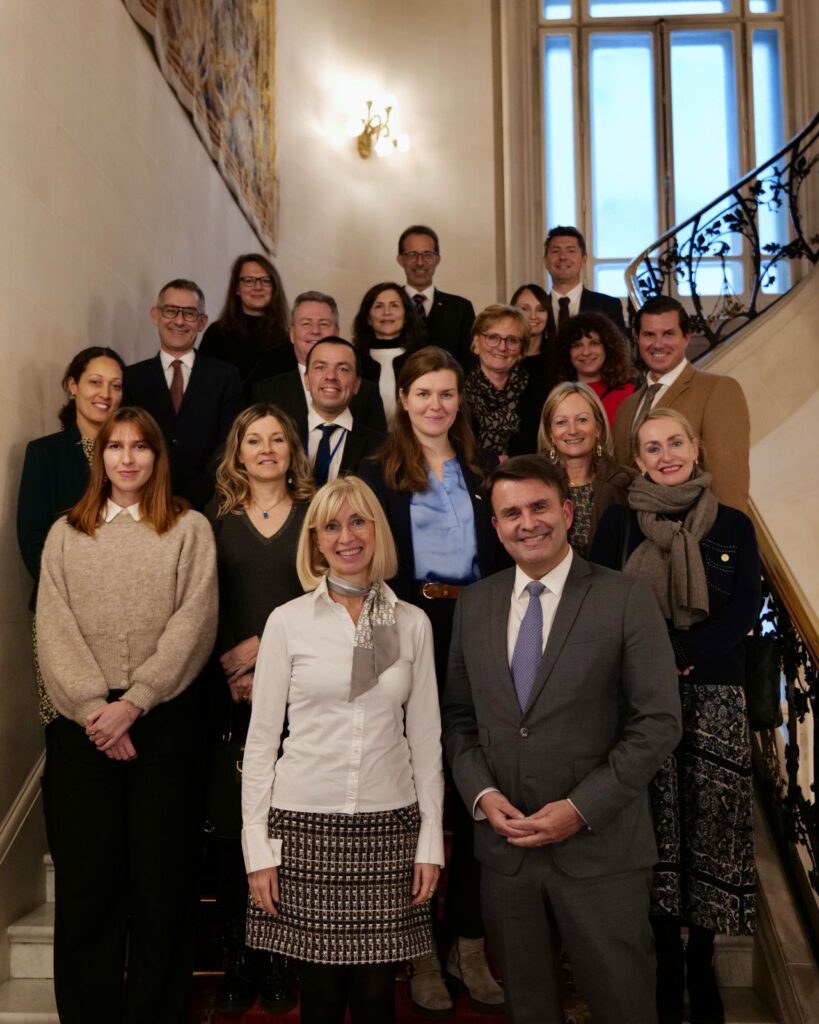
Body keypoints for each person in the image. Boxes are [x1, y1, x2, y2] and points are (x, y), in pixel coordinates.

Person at [442, 454, 682, 1024]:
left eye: (539, 507)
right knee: (529, 1008)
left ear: (567, 512)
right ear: (496, 527)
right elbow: (458, 717)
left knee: (624, 1004)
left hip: (600, 849)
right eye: (511, 513)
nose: (528, 523)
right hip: (508, 853)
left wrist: (580, 808)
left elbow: (658, 722)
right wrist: (480, 796)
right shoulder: (475, 604)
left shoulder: (625, 597)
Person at [36, 406, 218, 1023]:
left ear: (156, 457)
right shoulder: (66, 532)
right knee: (88, 887)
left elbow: (194, 625)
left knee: (162, 885)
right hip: (83, 729)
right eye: (115, 447)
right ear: (100, 457)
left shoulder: (188, 528)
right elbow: (53, 630)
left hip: (162, 722)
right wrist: (97, 710)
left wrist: (136, 701)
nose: (127, 458)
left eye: (140, 447)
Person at [241, 476, 444, 1023]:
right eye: (331, 525)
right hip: (305, 826)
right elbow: (261, 743)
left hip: (387, 827)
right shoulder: (287, 622)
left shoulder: (411, 623)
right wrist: (256, 849)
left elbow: (426, 741)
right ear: (315, 541)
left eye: (358, 521)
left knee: (379, 997)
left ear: (377, 530)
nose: (346, 536)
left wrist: (430, 840)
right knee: (322, 997)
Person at [590, 409, 760, 1024]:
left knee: (711, 828)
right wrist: (655, 656)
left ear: (695, 448)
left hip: (714, 691)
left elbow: (746, 602)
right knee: (654, 824)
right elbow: (602, 600)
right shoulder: (618, 524)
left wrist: (689, 651)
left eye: (676, 443)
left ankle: (702, 962)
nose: (666, 455)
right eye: (652, 447)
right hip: (640, 695)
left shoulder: (734, 525)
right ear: (638, 460)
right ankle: (663, 957)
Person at [360, 346, 508, 1016]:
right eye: (422, 394)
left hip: (477, 640)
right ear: (402, 399)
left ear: (459, 401)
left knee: (477, 795)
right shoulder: (374, 472)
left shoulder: (482, 473)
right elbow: (358, 567)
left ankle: (467, 945)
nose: (435, 405)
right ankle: (417, 947)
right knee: (415, 800)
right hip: (406, 637)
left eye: (446, 394)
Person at [204, 404, 313, 1015]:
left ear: (291, 449)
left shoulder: (314, 515)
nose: (266, 448)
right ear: (237, 451)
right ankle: (238, 958)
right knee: (230, 829)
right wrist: (233, 667)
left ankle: (278, 957)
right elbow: (198, 600)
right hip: (229, 694)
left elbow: (329, 598)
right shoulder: (213, 519)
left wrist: (267, 655)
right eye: (254, 439)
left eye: (277, 439)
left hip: (301, 695)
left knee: (286, 825)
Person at [17, 347, 126, 787]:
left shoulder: (131, 452)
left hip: (125, 622)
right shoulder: (45, 453)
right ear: (73, 385)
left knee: (117, 725)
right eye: (95, 381)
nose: (105, 393)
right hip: (60, 618)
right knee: (69, 734)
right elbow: (32, 541)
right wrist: (77, 604)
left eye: (116, 385)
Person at [612, 295, 751, 511]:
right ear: (637, 338)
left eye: (668, 334)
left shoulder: (718, 390)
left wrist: (729, 542)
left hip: (696, 535)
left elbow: (728, 483)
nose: (658, 344)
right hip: (637, 537)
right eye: (649, 334)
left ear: (686, 337)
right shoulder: (626, 407)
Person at [124, 278, 243, 509]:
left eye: (189, 313)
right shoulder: (131, 378)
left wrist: (199, 494)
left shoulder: (225, 377)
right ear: (155, 315)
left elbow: (230, 442)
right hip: (144, 501)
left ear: (202, 322)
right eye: (170, 311)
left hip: (210, 504)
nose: (179, 321)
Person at [254, 291, 387, 434]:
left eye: (324, 324)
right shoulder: (266, 391)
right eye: (306, 323)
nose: (315, 331)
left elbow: (378, 448)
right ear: (291, 333)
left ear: (336, 332)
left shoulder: (366, 391)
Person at [258, 338, 384, 484]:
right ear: (306, 380)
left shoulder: (380, 447)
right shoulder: (280, 438)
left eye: (342, 369)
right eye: (320, 367)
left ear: (357, 384)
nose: (330, 376)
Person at [537, 382, 634, 557]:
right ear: (550, 433)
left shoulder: (627, 484)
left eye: (582, 420)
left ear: (598, 428)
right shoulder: (531, 483)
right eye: (561, 422)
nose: (572, 430)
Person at [199, 253, 290, 400]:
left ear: (274, 288)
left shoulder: (286, 340)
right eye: (249, 280)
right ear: (237, 288)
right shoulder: (216, 334)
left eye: (266, 281)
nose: (258, 287)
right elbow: (204, 387)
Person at [464, 304, 547, 459]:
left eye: (512, 340)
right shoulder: (457, 392)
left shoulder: (540, 393)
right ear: (476, 341)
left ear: (522, 350)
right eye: (493, 338)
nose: (502, 347)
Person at [396, 224, 475, 366]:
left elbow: (469, 362)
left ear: (437, 259)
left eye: (427, 254)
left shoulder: (460, 309)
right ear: (400, 260)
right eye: (412, 254)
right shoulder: (387, 306)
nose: (420, 262)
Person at [352, 281, 424, 417]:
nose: (387, 312)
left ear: (406, 316)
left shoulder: (422, 358)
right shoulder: (354, 359)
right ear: (368, 318)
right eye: (379, 306)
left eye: (394, 306)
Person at [543, 226, 627, 339]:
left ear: (583, 260)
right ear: (546, 261)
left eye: (571, 250)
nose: (563, 257)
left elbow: (618, 351)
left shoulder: (608, 306)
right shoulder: (538, 309)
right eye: (555, 251)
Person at [555, 311, 637, 425]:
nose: (586, 352)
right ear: (566, 352)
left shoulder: (631, 393)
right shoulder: (558, 396)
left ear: (608, 347)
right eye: (577, 345)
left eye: (594, 343)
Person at [510, 282, 556, 389]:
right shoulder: (501, 356)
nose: (533, 316)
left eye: (540, 310)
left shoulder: (558, 360)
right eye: (525, 309)